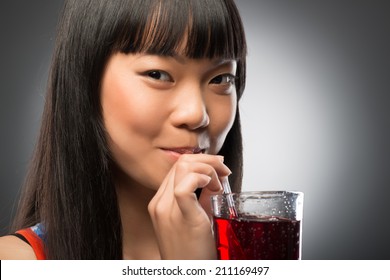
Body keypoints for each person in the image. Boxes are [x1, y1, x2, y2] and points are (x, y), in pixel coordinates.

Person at [0, 0, 247, 260]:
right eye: (157, 74)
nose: (197, 114)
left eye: (220, 79)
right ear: (85, 81)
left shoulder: (266, 250)